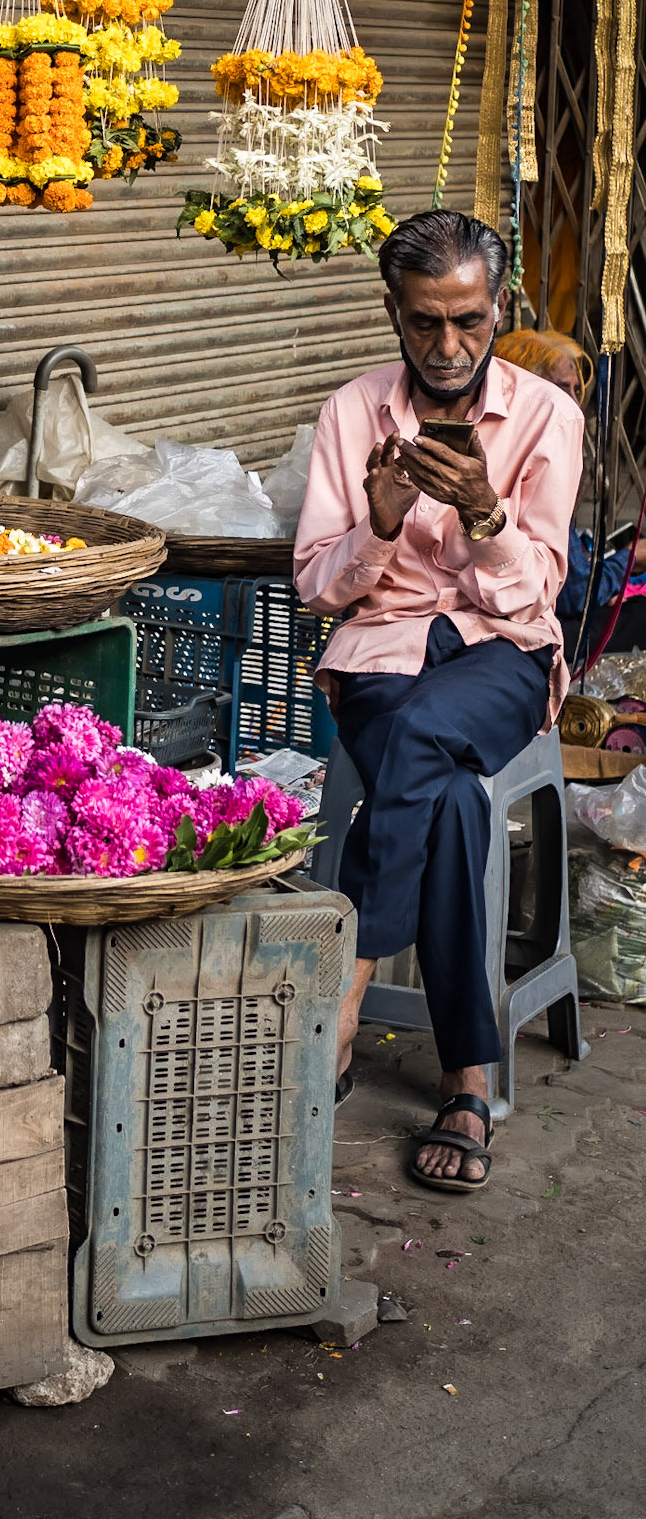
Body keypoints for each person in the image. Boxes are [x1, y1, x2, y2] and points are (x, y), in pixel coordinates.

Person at [295, 209, 582, 1192]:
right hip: (381, 653)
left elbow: (537, 595)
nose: (449, 345)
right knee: (452, 792)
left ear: (498, 308)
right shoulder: (353, 414)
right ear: (393, 313)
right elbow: (315, 588)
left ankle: (344, 993)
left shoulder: (549, 418)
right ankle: (468, 1076)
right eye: (425, 323)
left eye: (469, 320)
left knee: (422, 734)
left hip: (502, 656)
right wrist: (375, 525)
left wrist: (486, 513)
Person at [493, 328, 646, 652]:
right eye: (564, 388)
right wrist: (632, 559)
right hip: (521, 630)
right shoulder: (536, 457)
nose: (576, 404)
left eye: (577, 390)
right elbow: (576, 594)